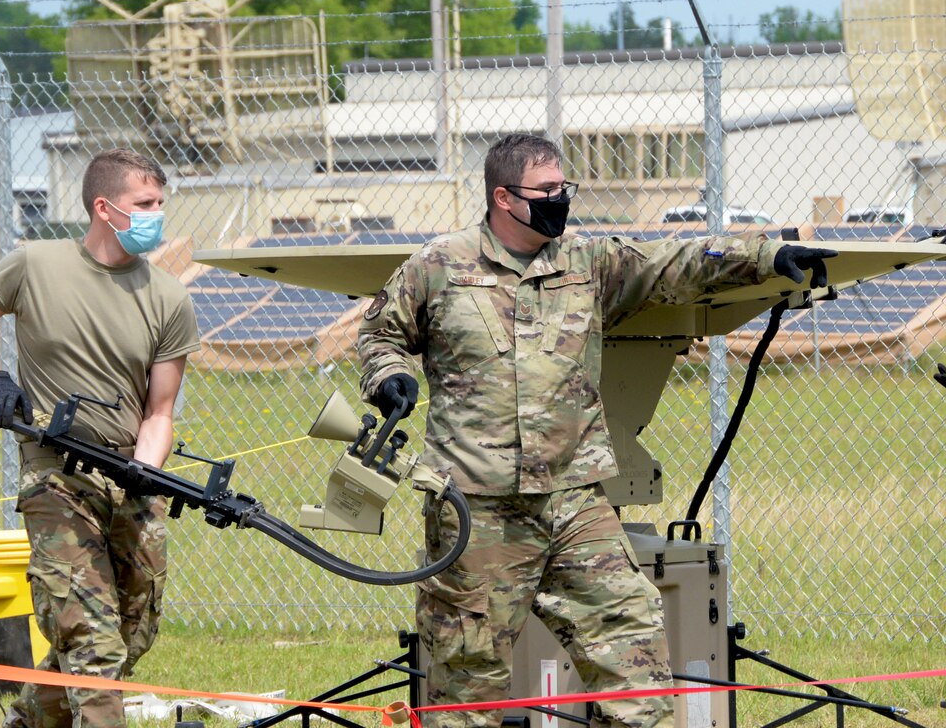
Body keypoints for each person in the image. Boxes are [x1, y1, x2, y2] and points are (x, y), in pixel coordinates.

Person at [357, 133, 834, 728]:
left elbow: (672, 264)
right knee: (466, 682)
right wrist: (388, 376)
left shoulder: (587, 261)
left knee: (632, 646)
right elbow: (380, 334)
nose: (562, 199)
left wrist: (763, 258)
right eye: (548, 190)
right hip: (477, 508)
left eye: (565, 187)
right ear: (504, 198)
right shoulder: (437, 265)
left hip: (575, 499)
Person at [0, 148, 200, 728]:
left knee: (131, 633)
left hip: (130, 478)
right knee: (94, 646)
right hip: (57, 479)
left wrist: (143, 471)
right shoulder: (34, 264)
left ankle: (29, 721)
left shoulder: (169, 297)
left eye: (160, 204)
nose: (157, 215)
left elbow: (159, 411)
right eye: (144, 204)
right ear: (105, 208)